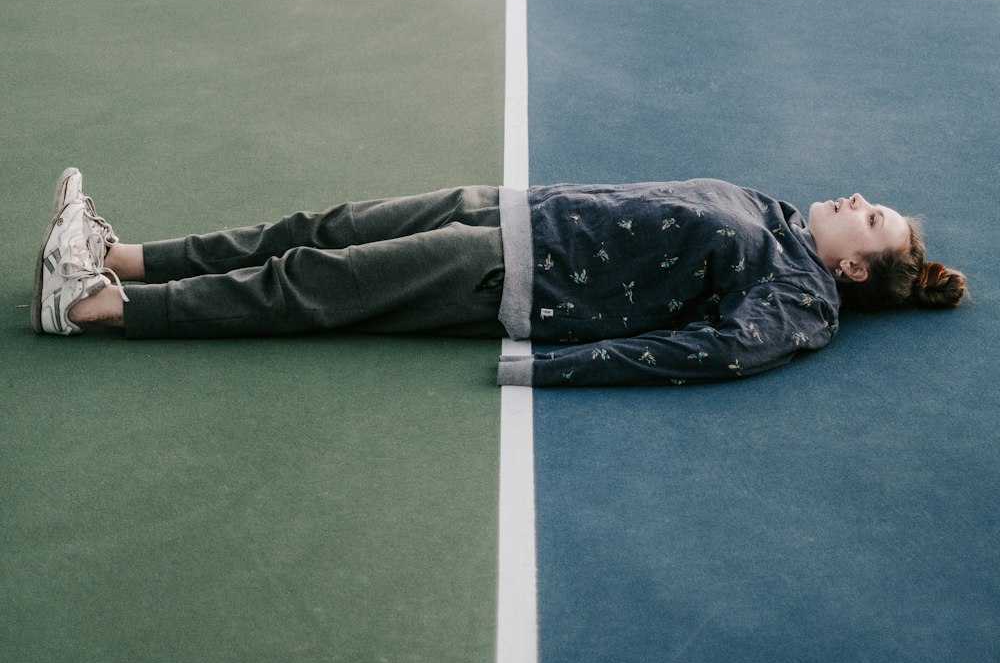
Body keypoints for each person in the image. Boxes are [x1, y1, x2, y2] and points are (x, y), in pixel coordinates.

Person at [31, 167, 966, 387]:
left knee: (315, 279)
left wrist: (552, 368)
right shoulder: (771, 214)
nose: (856, 197)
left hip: (512, 275)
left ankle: (97, 308)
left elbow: (711, 352)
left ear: (853, 267)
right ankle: (119, 255)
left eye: (871, 217)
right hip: (513, 212)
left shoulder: (799, 296)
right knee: (323, 228)